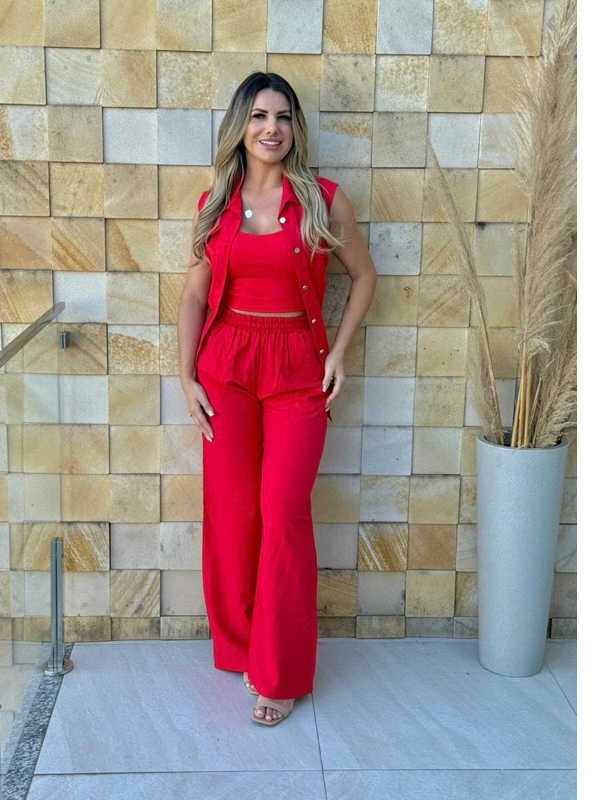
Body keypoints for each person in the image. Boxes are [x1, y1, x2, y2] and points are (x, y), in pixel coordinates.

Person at [177, 72, 377, 726]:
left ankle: (281, 672)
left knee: (283, 512)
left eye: (283, 116)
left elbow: (364, 275)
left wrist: (338, 353)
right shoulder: (215, 203)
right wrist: (186, 376)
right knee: (232, 512)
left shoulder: (321, 199)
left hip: (296, 367)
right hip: (226, 368)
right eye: (260, 115)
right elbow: (194, 294)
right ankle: (242, 648)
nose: (272, 128)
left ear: (295, 128)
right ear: (240, 126)